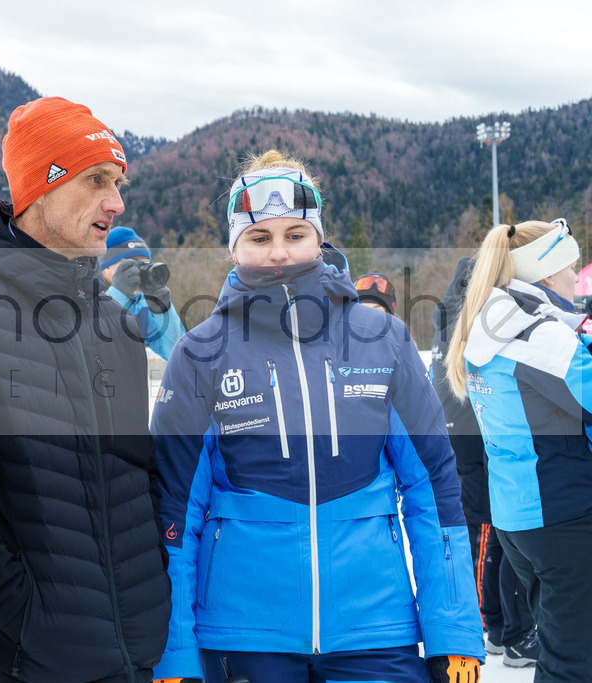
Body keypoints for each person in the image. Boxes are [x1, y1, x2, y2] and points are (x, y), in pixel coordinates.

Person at [150, 150, 484, 683]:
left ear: (319, 237)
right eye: (260, 237)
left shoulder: (383, 340)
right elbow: (174, 512)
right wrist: (175, 655)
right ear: (234, 244)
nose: (279, 251)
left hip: (376, 629)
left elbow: (434, 489)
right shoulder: (200, 353)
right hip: (244, 635)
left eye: (296, 233)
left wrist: (454, 630)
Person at [0, 96, 171, 682]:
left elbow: (136, 475)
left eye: (119, 182)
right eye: (96, 179)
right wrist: (27, 616)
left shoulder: (116, 324)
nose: (116, 202)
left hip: (121, 656)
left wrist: (148, 607)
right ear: (39, 187)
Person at [446, 219, 592, 681]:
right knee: (574, 663)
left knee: (560, 653)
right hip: (563, 516)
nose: (576, 277)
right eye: (571, 267)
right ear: (547, 273)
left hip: (522, 516)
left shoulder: (496, 322)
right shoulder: (539, 337)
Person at [430, 257, 538, 668]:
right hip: (472, 432)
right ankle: (492, 625)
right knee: (486, 532)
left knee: (487, 530)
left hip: (456, 429)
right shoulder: (470, 314)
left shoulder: (448, 311)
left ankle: (494, 625)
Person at [100, 226, 186, 359]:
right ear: (106, 267)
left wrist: (163, 310)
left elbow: (177, 353)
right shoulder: (84, 295)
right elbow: (97, 342)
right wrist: (118, 295)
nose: (139, 271)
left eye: (144, 264)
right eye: (132, 263)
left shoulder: (142, 307)